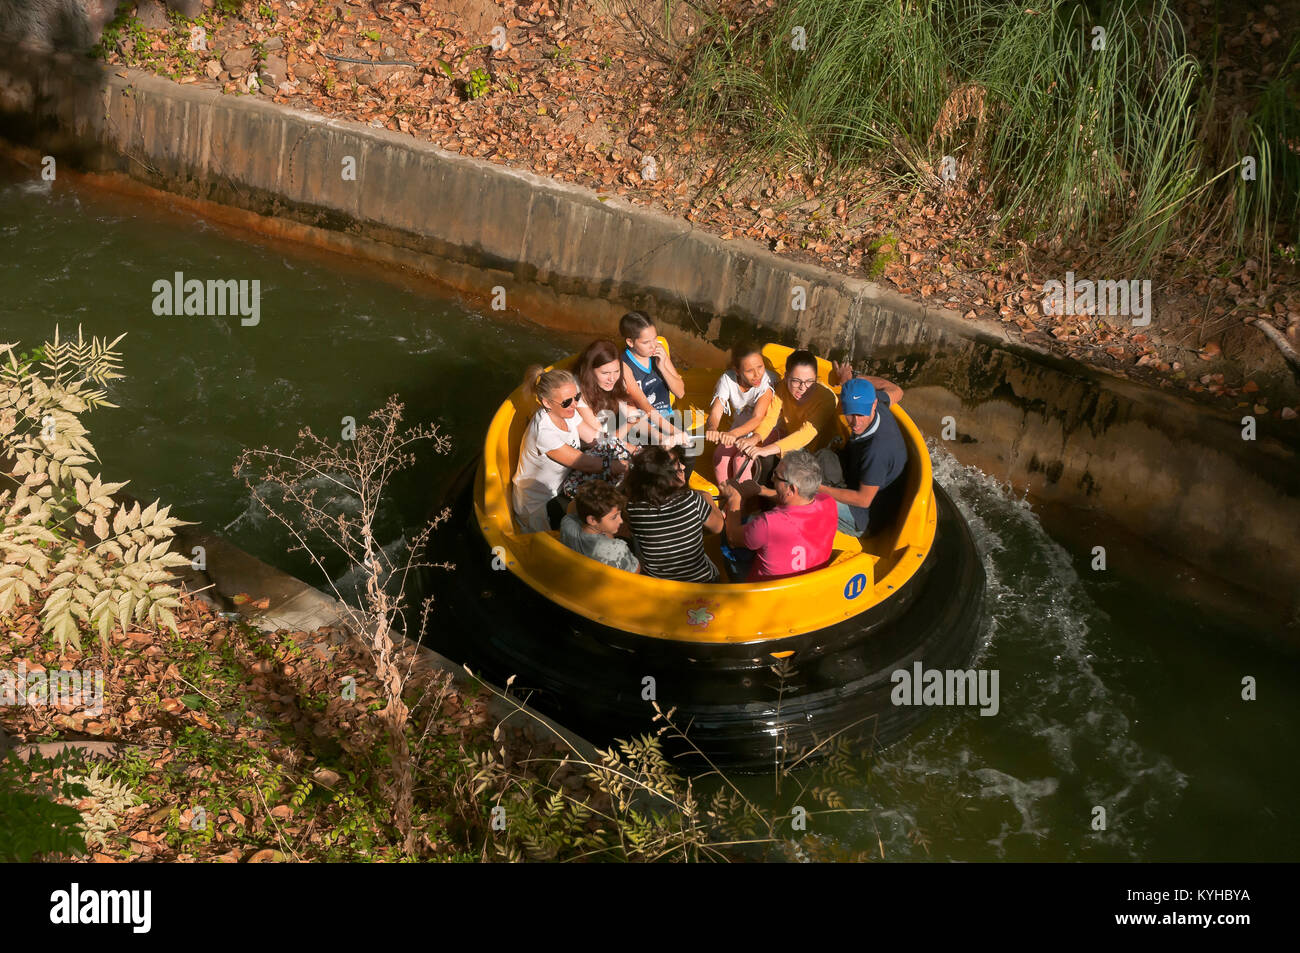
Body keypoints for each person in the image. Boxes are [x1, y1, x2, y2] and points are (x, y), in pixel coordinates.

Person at [511, 366, 627, 533]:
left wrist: (622, 445)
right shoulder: (544, 433)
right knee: (603, 513)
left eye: (576, 397)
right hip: (540, 504)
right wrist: (619, 464)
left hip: (563, 485)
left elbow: (594, 437)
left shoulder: (567, 413)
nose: (574, 404)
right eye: (567, 401)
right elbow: (585, 463)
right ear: (546, 403)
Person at [717, 450, 838, 582]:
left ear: (791, 489)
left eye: (776, 476)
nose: (772, 478)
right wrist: (762, 490)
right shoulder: (828, 503)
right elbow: (796, 500)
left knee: (725, 533)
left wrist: (734, 498)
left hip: (766, 594)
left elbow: (733, 538)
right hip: (808, 586)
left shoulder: (769, 523)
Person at [816, 369, 908, 537]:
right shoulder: (875, 402)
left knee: (806, 498)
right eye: (850, 414)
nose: (856, 422)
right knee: (822, 457)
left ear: (873, 405)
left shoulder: (877, 451)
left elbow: (863, 500)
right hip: (857, 475)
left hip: (864, 515)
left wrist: (818, 488)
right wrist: (853, 380)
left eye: (860, 414)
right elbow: (897, 391)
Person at [736, 349, 840, 484]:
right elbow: (769, 419)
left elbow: (805, 434)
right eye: (796, 381)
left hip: (819, 455)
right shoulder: (782, 389)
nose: (803, 388)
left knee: (771, 459)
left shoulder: (827, 398)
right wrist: (755, 438)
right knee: (762, 459)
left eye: (810, 381)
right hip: (793, 446)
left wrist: (766, 449)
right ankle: (757, 498)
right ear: (786, 377)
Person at [623, 445, 724, 582]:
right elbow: (718, 527)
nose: (683, 467)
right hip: (701, 583)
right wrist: (707, 497)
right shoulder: (691, 499)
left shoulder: (632, 508)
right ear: (667, 479)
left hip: (660, 584)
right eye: (677, 466)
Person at [705, 341, 775, 485]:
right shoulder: (727, 379)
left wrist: (733, 434)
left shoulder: (766, 383)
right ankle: (727, 495)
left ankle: (741, 504)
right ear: (736, 370)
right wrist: (712, 428)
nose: (757, 375)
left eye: (760, 367)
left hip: (761, 433)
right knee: (720, 456)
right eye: (749, 371)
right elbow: (716, 413)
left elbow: (758, 418)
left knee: (740, 461)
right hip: (738, 431)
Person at [619, 310, 686, 446]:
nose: (653, 345)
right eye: (646, 342)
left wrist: (662, 367)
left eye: (655, 338)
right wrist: (672, 432)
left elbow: (680, 393)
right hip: (643, 426)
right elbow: (642, 407)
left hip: (667, 418)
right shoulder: (623, 365)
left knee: (689, 451)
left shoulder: (659, 351)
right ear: (630, 342)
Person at [560, 480, 640, 574]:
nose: (621, 520)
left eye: (619, 514)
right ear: (592, 520)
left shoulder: (567, 523)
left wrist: (585, 499)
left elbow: (572, 507)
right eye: (614, 517)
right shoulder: (618, 548)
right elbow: (636, 571)